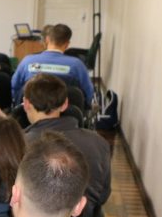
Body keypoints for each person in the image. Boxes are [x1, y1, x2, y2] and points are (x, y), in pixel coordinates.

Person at [22, 73, 111, 206]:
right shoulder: (99, 142)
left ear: (26, 104)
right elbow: (102, 196)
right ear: (65, 104)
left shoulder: (16, 144)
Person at [11, 23, 95, 105]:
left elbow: (14, 86)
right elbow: (88, 92)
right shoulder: (77, 65)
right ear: (67, 44)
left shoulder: (27, 61)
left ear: (47, 39)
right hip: (66, 112)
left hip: (30, 111)